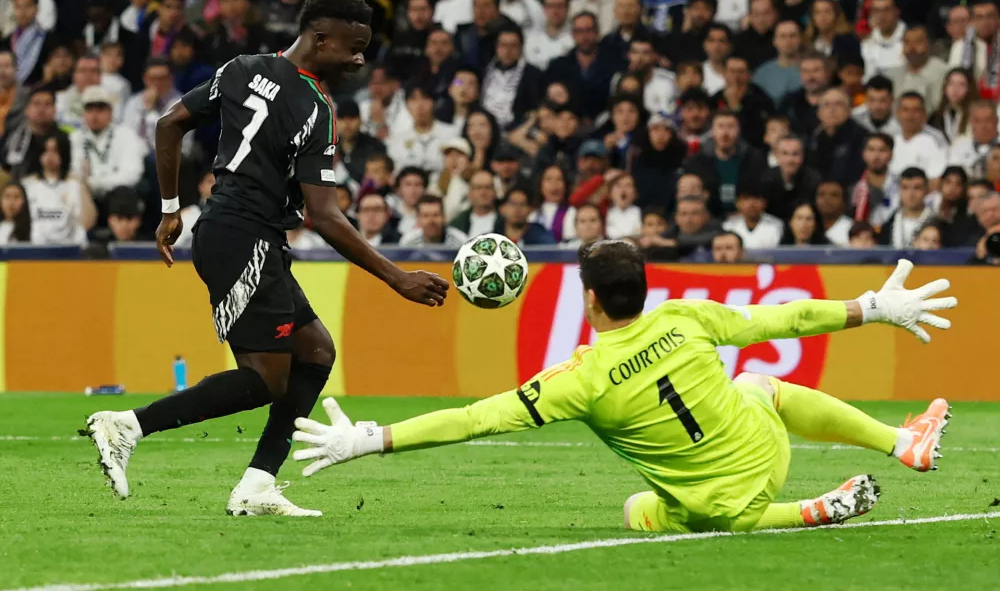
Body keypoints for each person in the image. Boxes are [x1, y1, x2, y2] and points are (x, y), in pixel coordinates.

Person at [83, 0, 449, 518]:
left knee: (316, 350)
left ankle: (257, 485)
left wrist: (168, 211)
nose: (359, 59)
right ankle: (128, 426)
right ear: (321, 38)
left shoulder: (242, 67)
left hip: (231, 231)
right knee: (265, 378)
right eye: (353, 47)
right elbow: (324, 214)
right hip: (245, 238)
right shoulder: (315, 107)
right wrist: (397, 278)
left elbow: (169, 124)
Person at [293, 246, 957, 536]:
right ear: (644, 288)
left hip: (715, 505)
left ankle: (807, 511)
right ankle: (902, 441)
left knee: (642, 508)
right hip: (767, 452)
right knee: (757, 381)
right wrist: (872, 305)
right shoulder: (686, 315)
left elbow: (474, 419)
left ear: (588, 299)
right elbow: (787, 318)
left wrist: (369, 438)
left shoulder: (578, 380)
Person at [68, 85, 147, 208]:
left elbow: (132, 174)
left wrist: (95, 182)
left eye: (100, 108)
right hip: (86, 195)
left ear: (110, 112)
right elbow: (73, 173)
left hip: (117, 195)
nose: (94, 114)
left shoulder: (125, 134)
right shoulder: (75, 138)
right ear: (83, 113)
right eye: (89, 109)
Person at [22, 131, 96, 245]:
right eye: (45, 151)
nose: (50, 156)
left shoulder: (75, 185)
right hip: (35, 249)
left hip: (72, 249)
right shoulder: (27, 185)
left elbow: (88, 223)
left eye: (55, 151)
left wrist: (83, 182)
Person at [761, 134, 820, 221]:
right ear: (777, 155)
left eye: (795, 154)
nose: (790, 160)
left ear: (802, 156)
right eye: (785, 153)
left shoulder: (814, 180)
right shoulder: (765, 179)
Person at [879, 167, 934, 247]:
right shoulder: (888, 225)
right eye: (905, 188)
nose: (911, 194)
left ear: (926, 190)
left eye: (917, 188)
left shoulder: (939, 224)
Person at [723, 182, 783, 248]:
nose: (752, 204)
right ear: (737, 203)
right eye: (746, 198)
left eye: (757, 198)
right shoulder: (728, 226)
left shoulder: (776, 225)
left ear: (765, 202)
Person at [399, 194, 466, 247]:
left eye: (436, 215)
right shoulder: (408, 242)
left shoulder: (461, 242)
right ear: (418, 219)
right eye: (425, 216)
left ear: (444, 217)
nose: (431, 220)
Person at [450, 169, 500, 238]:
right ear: (469, 193)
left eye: (488, 187)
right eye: (478, 188)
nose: (483, 193)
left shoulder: (507, 223)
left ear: (495, 192)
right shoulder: (458, 224)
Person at [815, 180, 854, 246]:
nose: (827, 199)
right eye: (822, 194)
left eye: (834, 195)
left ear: (844, 202)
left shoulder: (852, 228)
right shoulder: (806, 224)